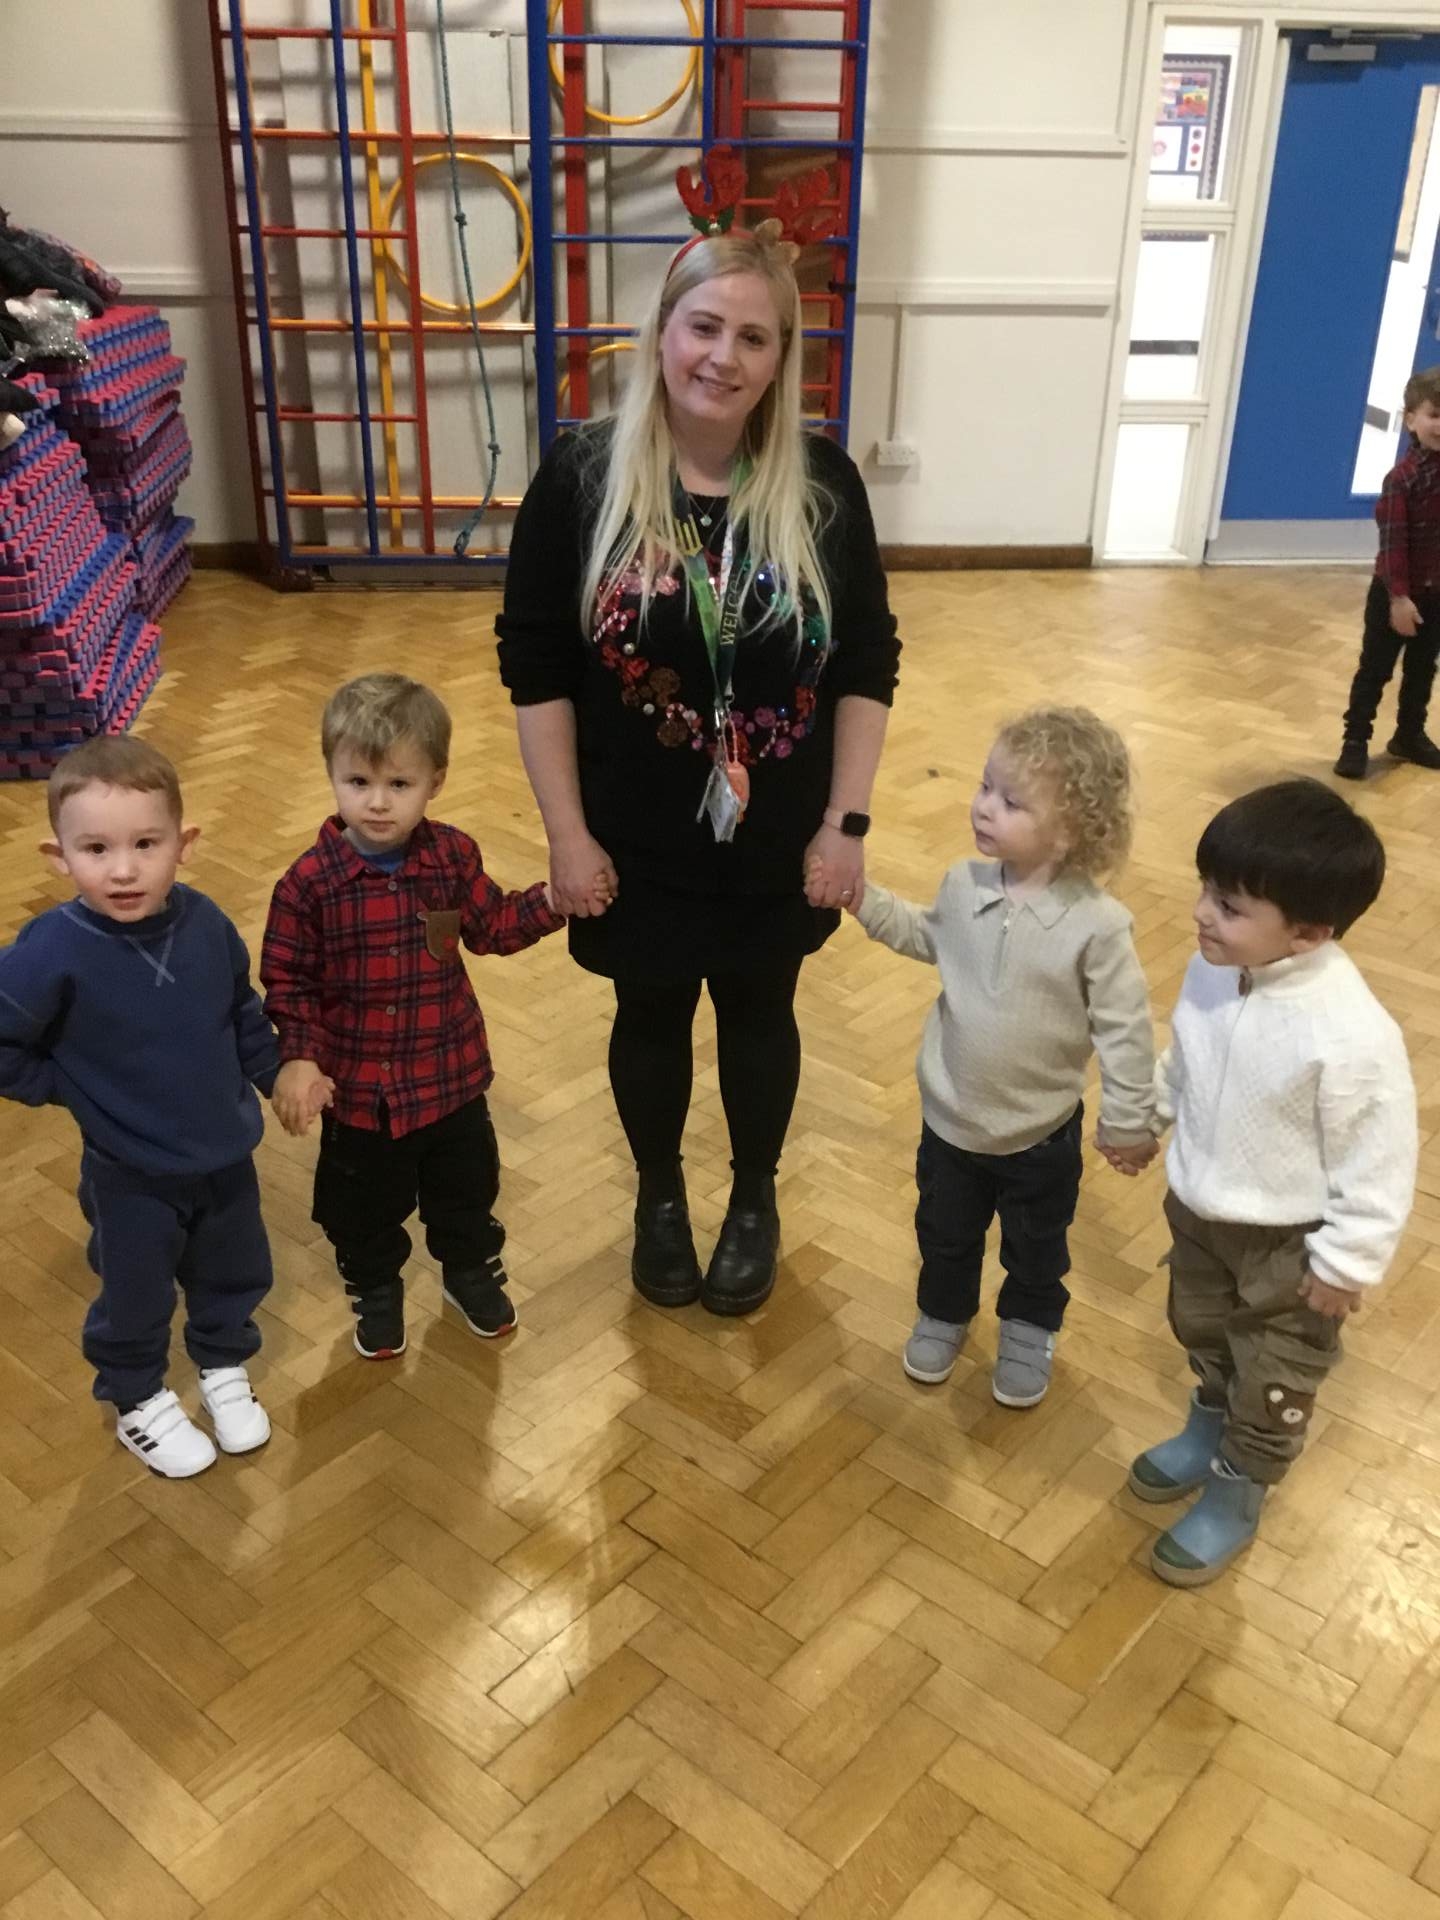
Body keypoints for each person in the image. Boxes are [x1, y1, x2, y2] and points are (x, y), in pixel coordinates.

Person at [496, 221, 900, 1318]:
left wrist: (846, 826)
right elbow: (536, 668)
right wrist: (567, 836)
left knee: (762, 1011)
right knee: (651, 1012)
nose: (722, 357)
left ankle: (755, 1197)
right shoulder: (583, 478)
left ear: (780, 360)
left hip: (781, 834)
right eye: (704, 326)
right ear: (662, 331)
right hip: (632, 833)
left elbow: (866, 661)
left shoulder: (821, 485)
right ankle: (661, 1195)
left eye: (753, 338)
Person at [1131, 780, 1416, 1585]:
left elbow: (1380, 1159)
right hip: (1200, 1214)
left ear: (1309, 933)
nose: (1200, 914)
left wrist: (1346, 1263)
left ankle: (1239, 1486)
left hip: (1291, 1249)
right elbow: (1186, 1058)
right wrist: (1150, 1114)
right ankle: (1207, 1425)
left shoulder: (1350, 1033)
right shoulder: (1215, 969)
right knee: (1202, 1330)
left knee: (1276, 1376)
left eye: (1228, 906)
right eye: (1205, 889)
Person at [849, 708, 1156, 1408]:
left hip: (1039, 1136)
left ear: (1071, 830)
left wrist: (1129, 1117)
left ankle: (1028, 1326)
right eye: (986, 786)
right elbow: (928, 937)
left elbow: (1126, 1032)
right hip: (951, 1123)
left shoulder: (1099, 928)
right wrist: (863, 901)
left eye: (1012, 802)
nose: (984, 806)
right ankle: (943, 1311)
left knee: (1037, 1246)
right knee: (945, 1236)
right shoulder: (964, 885)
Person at [262, 674, 565, 1361]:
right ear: (332, 775)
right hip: (359, 1093)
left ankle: (468, 1270)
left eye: (399, 784)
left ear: (436, 782)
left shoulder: (452, 856)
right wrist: (300, 1056)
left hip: (450, 1077)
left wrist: (554, 900)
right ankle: (375, 1286)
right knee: (360, 1208)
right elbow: (289, 980)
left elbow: (492, 926)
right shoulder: (307, 885)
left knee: (467, 1190)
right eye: (358, 782)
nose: (376, 802)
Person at [0, 737, 278, 1477]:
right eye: (95, 849)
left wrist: (275, 1075)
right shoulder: (51, 948)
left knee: (236, 1268)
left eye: (145, 844)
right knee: (135, 1291)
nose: (123, 870)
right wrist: (65, 1086)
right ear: (58, 856)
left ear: (183, 844)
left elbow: (241, 1012)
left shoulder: (207, 923)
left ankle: (223, 1362)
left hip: (225, 1154)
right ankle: (137, 1396)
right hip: (128, 1174)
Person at [1335, 365, 1440, 779]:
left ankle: (1408, 735)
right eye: (1434, 414)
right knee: (1375, 669)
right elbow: (1393, 545)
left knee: (1422, 669)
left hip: (1436, 595)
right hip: (1395, 595)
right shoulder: (1401, 480)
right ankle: (1355, 740)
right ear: (1411, 419)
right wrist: (1399, 598)